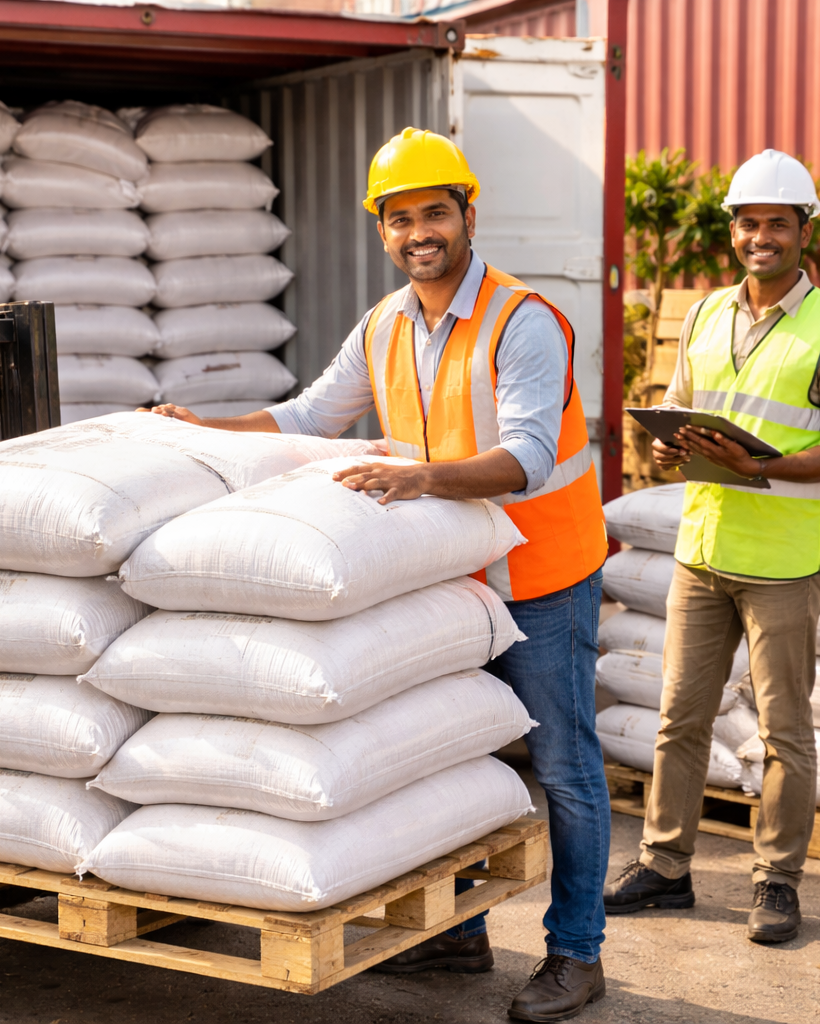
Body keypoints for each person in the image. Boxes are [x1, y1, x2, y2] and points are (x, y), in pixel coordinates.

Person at [140, 127, 611, 1021]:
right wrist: (205, 427)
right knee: (445, 751)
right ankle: (459, 934)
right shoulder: (385, 323)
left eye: (434, 212)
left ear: (469, 215)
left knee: (563, 765)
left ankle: (577, 954)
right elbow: (314, 413)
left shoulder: (525, 320)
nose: (417, 231)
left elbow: (531, 457)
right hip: (446, 580)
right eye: (400, 219)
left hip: (541, 577)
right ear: (383, 231)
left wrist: (418, 478)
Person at [603, 150, 820, 943]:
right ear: (734, 230)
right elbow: (688, 408)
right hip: (701, 546)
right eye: (749, 223)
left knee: (784, 729)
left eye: (777, 224)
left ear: (804, 233)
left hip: (784, 562)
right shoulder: (706, 313)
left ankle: (777, 881)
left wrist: (762, 465)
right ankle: (664, 866)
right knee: (678, 718)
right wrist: (670, 445)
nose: (761, 236)